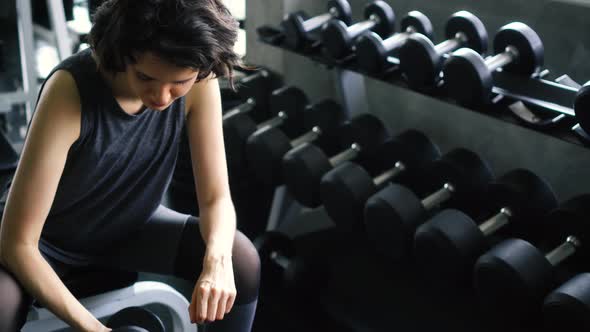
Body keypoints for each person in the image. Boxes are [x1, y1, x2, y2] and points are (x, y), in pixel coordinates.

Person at [0, 0, 261, 331]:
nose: (163, 97)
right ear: (124, 53)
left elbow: (215, 199)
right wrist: (95, 329)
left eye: (179, 83)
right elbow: (17, 243)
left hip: (130, 226)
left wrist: (217, 263)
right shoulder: (69, 89)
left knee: (240, 259)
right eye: (146, 77)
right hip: (45, 242)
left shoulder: (199, 81)